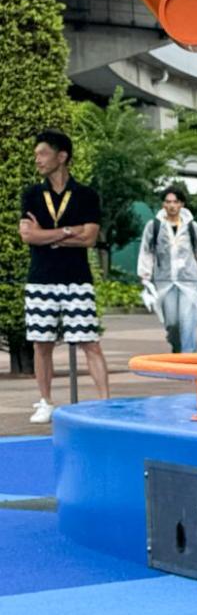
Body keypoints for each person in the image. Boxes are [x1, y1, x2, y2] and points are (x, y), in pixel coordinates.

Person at [17, 129, 107, 422]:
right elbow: (28, 236)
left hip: (77, 279)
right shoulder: (32, 194)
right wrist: (70, 231)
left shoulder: (86, 195)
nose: (38, 160)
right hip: (41, 278)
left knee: (89, 341)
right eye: (36, 155)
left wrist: (49, 236)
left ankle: (105, 402)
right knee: (40, 343)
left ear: (62, 156)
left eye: (42, 153)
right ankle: (45, 401)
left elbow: (90, 237)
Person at [135, 183, 197, 354]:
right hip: (165, 280)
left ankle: (189, 356)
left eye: (175, 202)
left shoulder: (192, 227)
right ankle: (177, 345)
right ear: (163, 204)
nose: (171, 205)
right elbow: (147, 251)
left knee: (187, 319)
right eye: (168, 202)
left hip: (189, 279)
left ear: (182, 204)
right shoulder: (154, 226)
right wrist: (145, 276)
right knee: (171, 322)